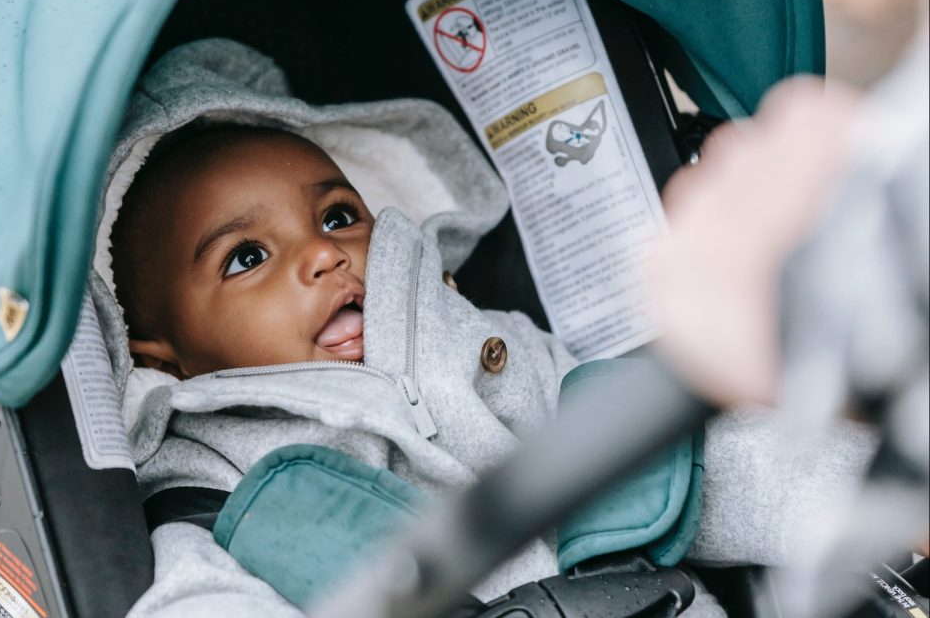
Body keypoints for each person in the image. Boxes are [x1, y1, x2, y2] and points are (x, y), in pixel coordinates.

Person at [88, 38, 875, 618]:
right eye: (247, 256)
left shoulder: (489, 348)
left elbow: (692, 470)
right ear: (165, 355)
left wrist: (863, 494)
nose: (324, 254)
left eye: (337, 215)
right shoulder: (208, 478)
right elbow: (195, 595)